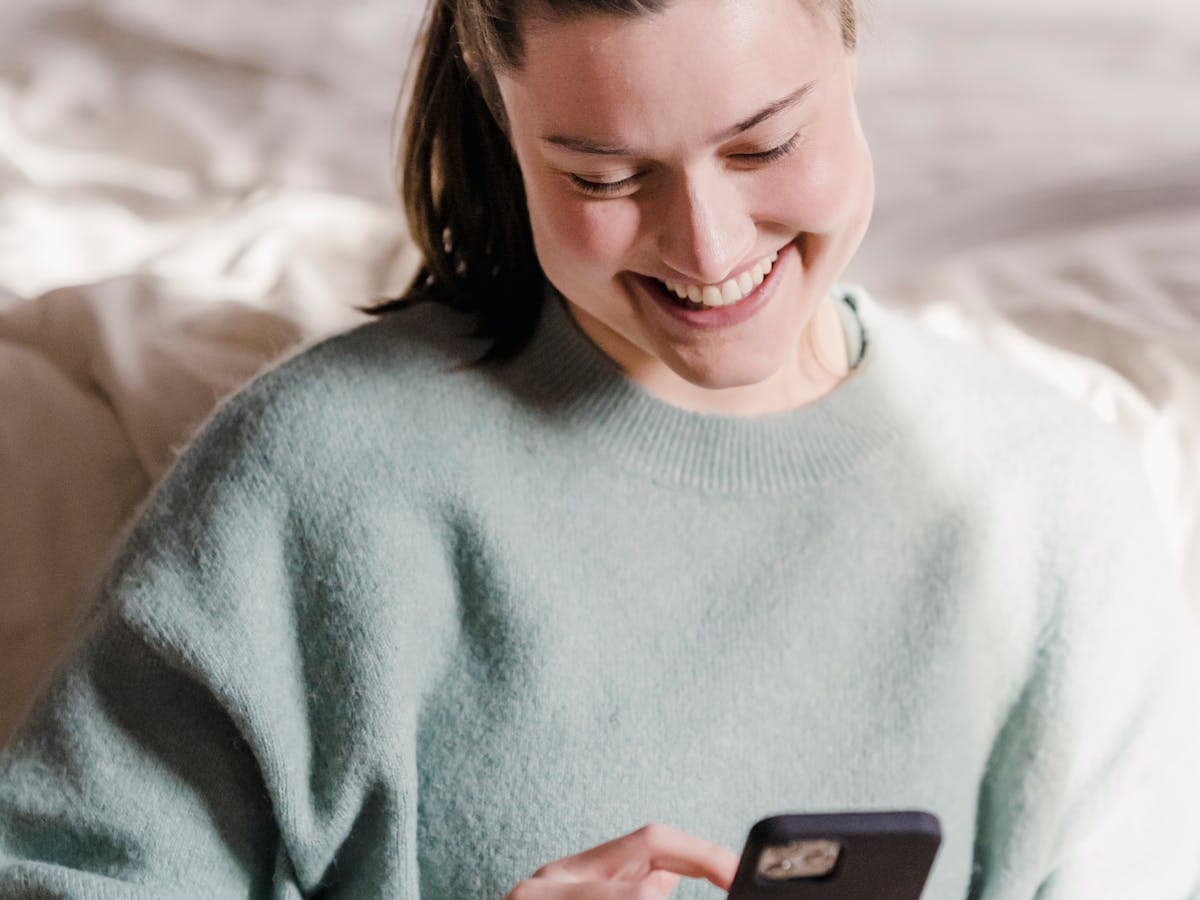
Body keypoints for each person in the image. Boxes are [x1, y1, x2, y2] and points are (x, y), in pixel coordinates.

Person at [1, 0, 1198, 897]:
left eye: (764, 145)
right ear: (504, 122)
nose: (707, 245)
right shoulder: (319, 483)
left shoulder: (1050, 507)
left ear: (849, 39)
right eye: (605, 174)